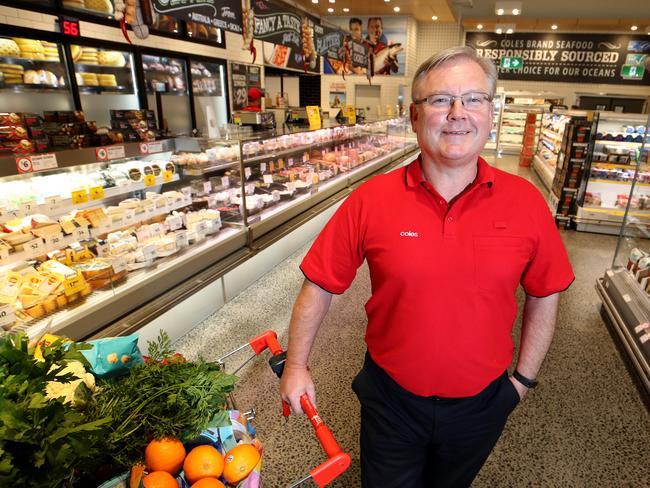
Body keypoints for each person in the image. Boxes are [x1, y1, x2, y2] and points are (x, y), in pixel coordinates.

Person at [280, 45, 574, 487]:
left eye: (474, 99)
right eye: (440, 100)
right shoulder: (370, 200)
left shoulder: (526, 203)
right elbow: (319, 285)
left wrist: (522, 383)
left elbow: (545, 292)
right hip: (390, 399)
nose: (458, 113)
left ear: (490, 114)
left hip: (483, 403)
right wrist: (296, 365)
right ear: (415, 116)